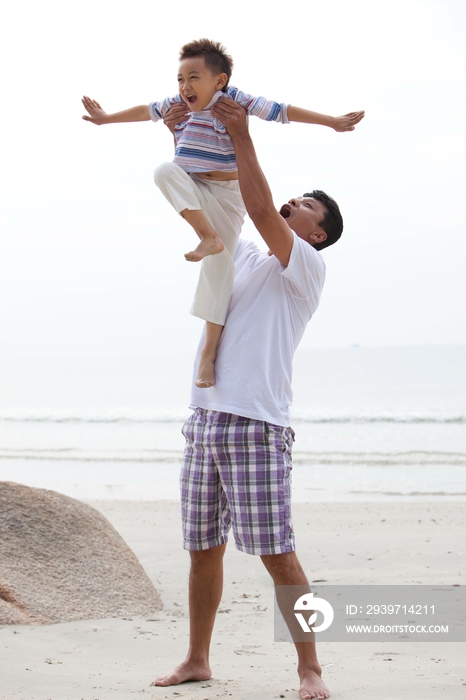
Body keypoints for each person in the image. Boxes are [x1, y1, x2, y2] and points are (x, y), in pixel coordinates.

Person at [151, 97, 346, 700]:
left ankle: (310, 667)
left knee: (279, 556)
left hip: (258, 426)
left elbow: (260, 206)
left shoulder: (305, 267)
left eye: (304, 206)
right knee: (202, 552)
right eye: (297, 197)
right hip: (203, 421)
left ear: (315, 233)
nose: (292, 203)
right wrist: (185, 136)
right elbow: (216, 204)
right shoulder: (243, 253)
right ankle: (197, 659)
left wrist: (244, 136)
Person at [82, 39, 364, 391]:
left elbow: (282, 111)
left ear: (220, 80)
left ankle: (208, 355)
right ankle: (207, 235)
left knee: (218, 268)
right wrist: (107, 119)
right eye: (180, 79)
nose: (185, 87)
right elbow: (145, 112)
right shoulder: (178, 106)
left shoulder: (235, 102)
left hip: (229, 196)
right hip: (196, 184)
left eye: (194, 77)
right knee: (163, 171)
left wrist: (332, 122)